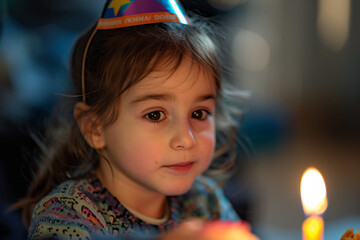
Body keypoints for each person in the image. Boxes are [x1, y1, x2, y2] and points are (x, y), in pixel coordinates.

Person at [16, 0, 255, 239]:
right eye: (155, 115)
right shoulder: (67, 212)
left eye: (199, 113)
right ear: (95, 128)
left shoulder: (205, 200)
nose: (186, 138)